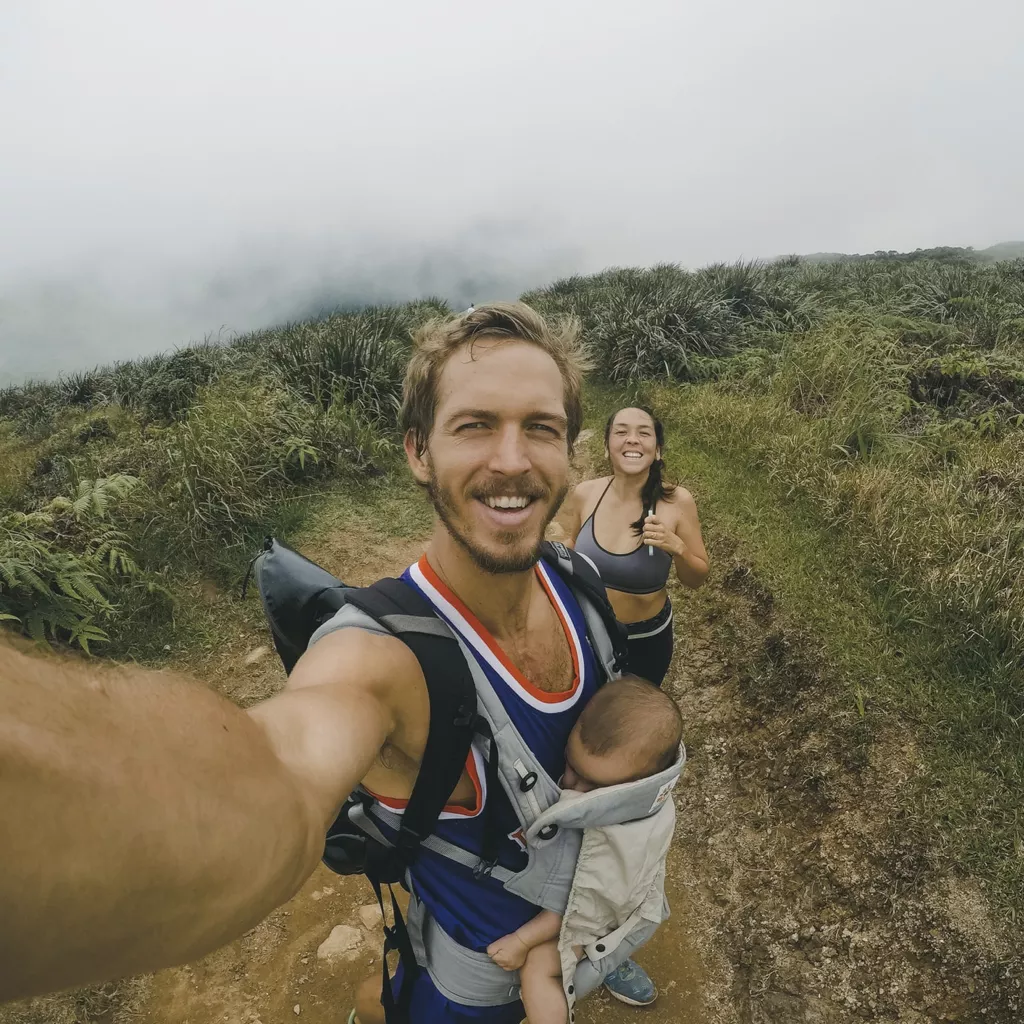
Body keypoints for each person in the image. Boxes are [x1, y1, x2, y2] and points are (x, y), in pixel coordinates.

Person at [0, 303, 660, 1019]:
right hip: (471, 1000)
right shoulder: (383, 661)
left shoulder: (578, 583)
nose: (512, 458)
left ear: (569, 453)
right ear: (417, 452)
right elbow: (278, 771)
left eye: (540, 427)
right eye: (474, 425)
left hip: (581, 933)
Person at [486, 676, 682, 1024]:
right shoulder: (653, 799)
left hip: (610, 914)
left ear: (634, 787)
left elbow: (573, 907)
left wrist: (520, 940)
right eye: (571, 766)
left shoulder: (606, 842)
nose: (571, 786)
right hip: (637, 896)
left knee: (538, 969)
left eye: (593, 787)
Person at [559, 406, 709, 687]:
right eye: (621, 432)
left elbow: (697, 579)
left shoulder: (677, 501)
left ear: (658, 450)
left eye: (644, 433)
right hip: (587, 631)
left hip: (645, 641)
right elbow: (570, 544)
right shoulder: (585, 494)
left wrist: (678, 548)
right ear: (607, 447)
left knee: (631, 721)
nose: (632, 439)